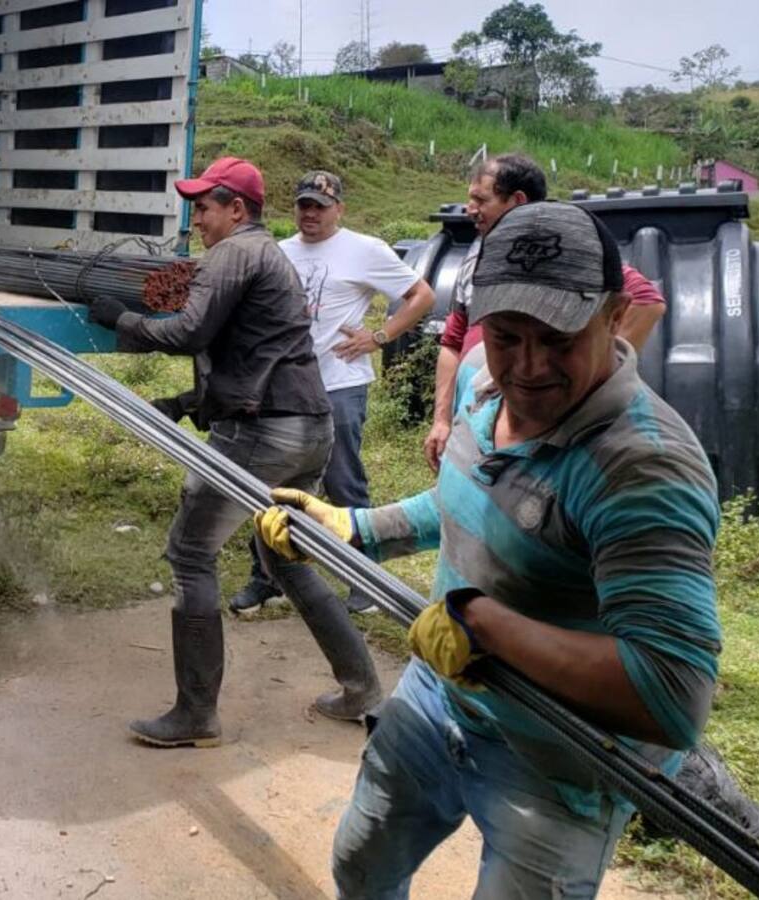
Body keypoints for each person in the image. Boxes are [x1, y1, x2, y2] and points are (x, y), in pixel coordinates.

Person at [255, 202, 722, 898]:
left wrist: (484, 629)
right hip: (439, 697)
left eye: (558, 338)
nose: (527, 368)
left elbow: (672, 695)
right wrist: (352, 529)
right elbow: (464, 494)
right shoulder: (481, 374)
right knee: (361, 862)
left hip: (558, 757)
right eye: (507, 335)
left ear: (615, 315)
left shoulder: (642, 471)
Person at [87, 156, 377, 747]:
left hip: (263, 434)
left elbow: (189, 332)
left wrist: (123, 322)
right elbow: (247, 353)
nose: (196, 219)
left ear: (236, 209)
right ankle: (363, 689)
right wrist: (185, 403)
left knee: (191, 553)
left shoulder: (233, 253)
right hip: (309, 428)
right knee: (285, 558)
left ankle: (196, 714)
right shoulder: (269, 255)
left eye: (204, 207)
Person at [229, 170, 437, 616]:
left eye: (320, 207)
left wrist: (378, 337)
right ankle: (267, 577)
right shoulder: (279, 251)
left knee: (343, 481)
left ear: (339, 209)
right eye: (304, 205)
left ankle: (364, 582)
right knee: (271, 484)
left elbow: (421, 295)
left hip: (339, 384)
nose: (310, 214)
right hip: (282, 391)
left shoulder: (364, 250)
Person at [423, 153, 667, 470]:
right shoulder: (476, 256)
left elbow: (647, 302)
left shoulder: (559, 254)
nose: (470, 210)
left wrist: (594, 379)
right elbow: (453, 341)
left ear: (516, 200)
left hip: (528, 427)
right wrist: (441, 419)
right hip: (475, 418)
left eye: (480, 200)